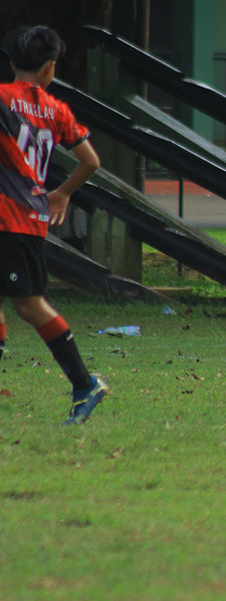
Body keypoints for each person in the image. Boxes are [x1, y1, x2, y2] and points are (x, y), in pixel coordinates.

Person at [0, 25, 106, 425]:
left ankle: (84, 384)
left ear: (13, 62)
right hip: (25, 216)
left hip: (9, 216)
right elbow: (91, 161)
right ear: (50, 69)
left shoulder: (3, 99)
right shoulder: (56, 109)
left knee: (29, 304)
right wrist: (62, 193)